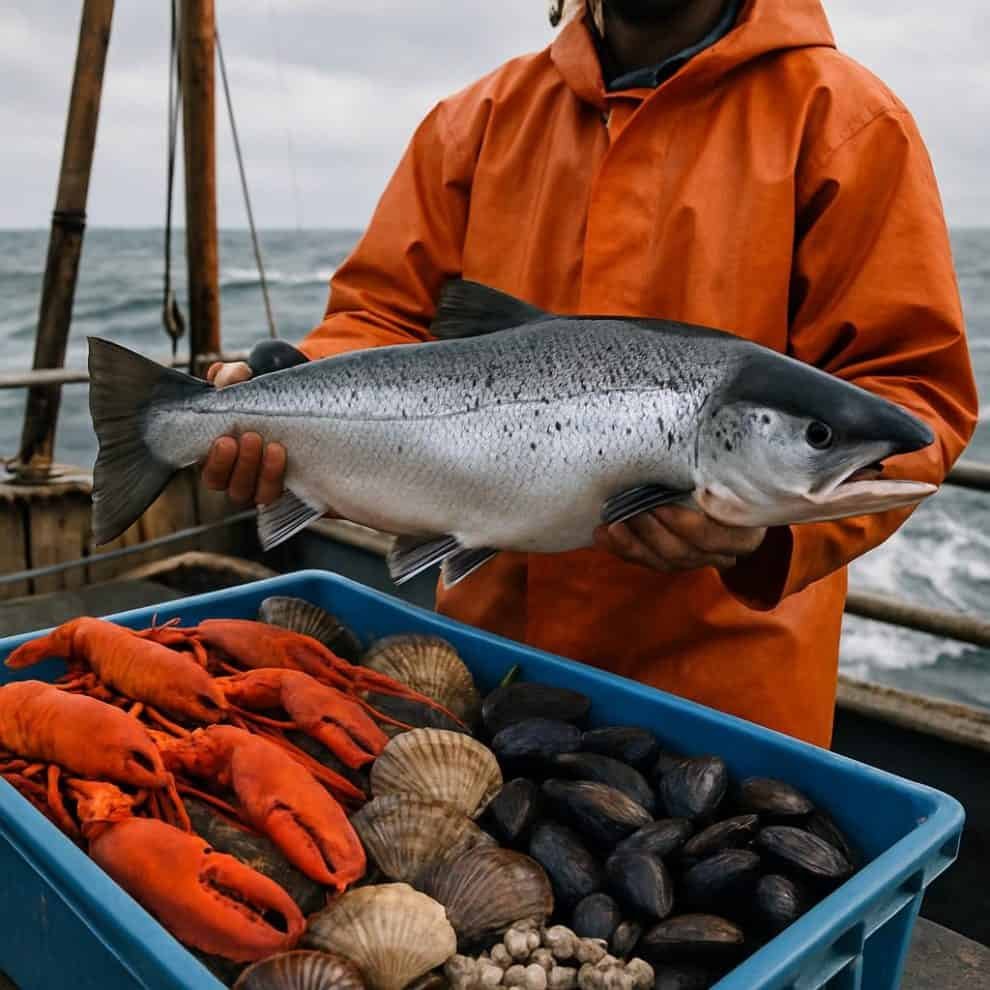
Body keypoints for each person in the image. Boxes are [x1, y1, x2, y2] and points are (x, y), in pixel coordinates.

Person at [202, 0, 978, 747]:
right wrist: (293, 396)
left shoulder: (847, 125)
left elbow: (912, 395)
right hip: (482, 670)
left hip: (727, 710)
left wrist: (768, 537)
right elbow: (381, 319)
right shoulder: (473, 125)